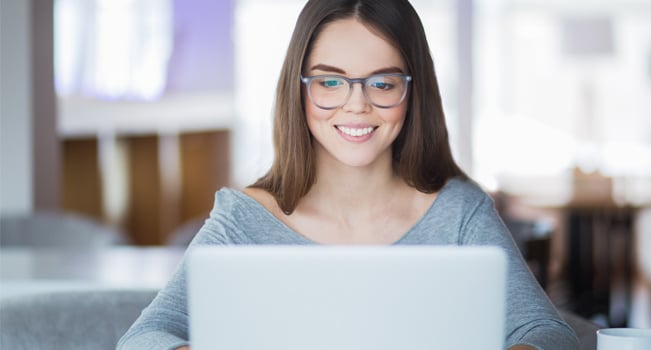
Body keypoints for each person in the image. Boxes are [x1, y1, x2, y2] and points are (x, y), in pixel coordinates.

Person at [117, 1, 580, 349]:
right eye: (330, 81)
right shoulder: (244, 218)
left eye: (382, 83)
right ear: (298, 91)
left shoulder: (459, 212)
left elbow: (548, 332)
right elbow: (144, 337)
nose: (356, 105)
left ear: (412, 92)